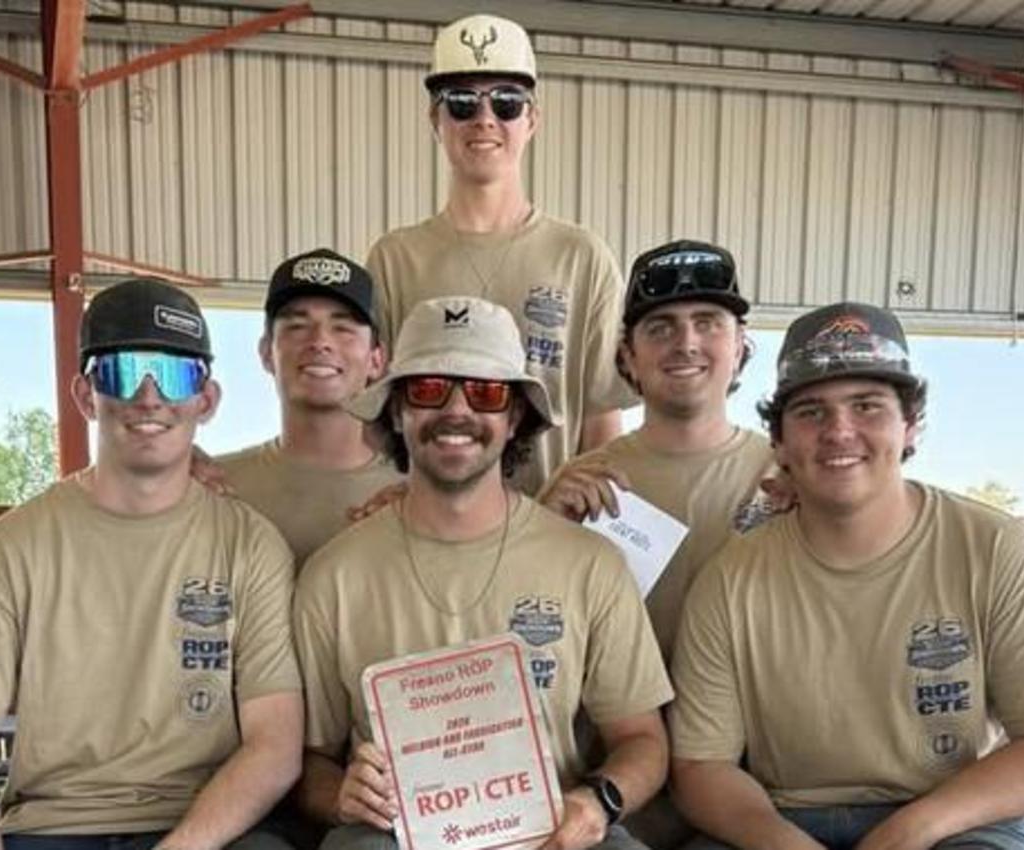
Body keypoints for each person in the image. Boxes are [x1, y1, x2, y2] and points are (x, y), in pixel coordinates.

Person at [668, 303, 1024, 850]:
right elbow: (702, 767)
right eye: (811, 412)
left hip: (959, 815)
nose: (839, 431)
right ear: (778, 441)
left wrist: (912, 829)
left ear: (911, 425)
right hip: (784, 818)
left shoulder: (998, 551)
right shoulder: (730, 580)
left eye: (867, 406)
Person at [0, 278, 303, 850]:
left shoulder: (251, 546)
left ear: (207, 398)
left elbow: (275, 746)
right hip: (54, 827)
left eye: (174, 374)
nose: (149, 396)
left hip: (203, 826)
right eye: (122, 371)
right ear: (84, 395)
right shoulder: (14, 547)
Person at [294, 296, 673, 850]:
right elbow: (309, 761)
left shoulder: (589, 564)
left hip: (551, 835)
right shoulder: (334, 574)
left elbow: (643, 740)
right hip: (395, 837)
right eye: (428, 390)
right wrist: (339, 795)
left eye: (486, 392)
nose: (456, 411)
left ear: (515, 414)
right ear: (398, 410)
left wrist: (597, 802)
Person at [365, 12, 635, 496]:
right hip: (427, 534)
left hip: (551, 535)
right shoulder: (395, 258)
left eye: (508, 103)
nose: (485, 119)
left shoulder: (581, 256)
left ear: (531, 119)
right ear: (436, 119)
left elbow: (599, 418)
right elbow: (375, 416)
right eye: (462, 102)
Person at [540, 240, 775, 658]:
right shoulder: (579, 483)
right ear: (628, 356)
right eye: (660, 327)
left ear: (739, 345)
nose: (686, 343)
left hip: (753, 723)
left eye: (707, 323)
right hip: (614, 723)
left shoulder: (787, 478)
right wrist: (546, 529)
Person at [217, 249, 402, 565]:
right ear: (265, 352)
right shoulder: (218, 488)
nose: (320, 341)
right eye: (297, 326)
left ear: (376, 359)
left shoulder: (407, 497)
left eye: (342, 328)